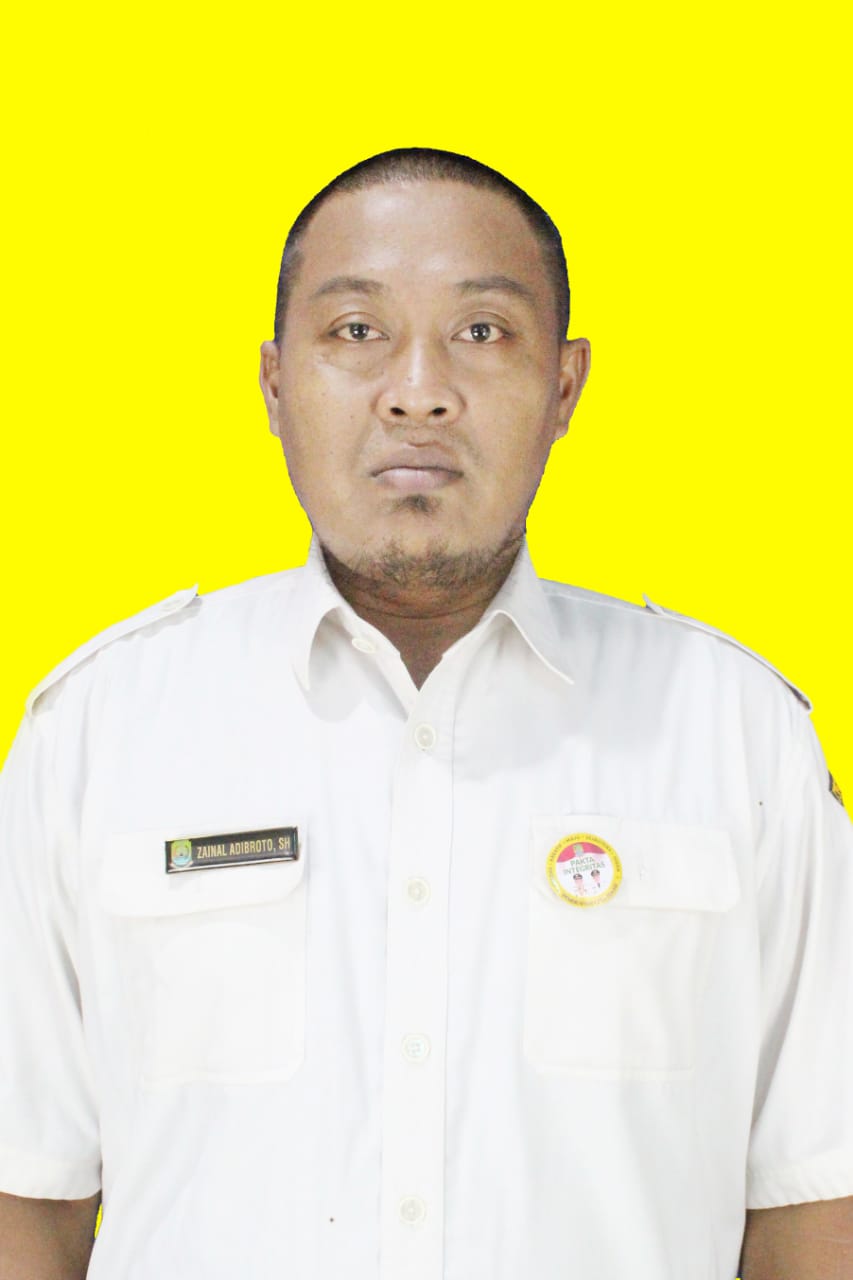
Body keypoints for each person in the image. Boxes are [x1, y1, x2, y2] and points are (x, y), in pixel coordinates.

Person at [0, 147, 851, 1280]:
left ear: (564, 386)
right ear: (273, 383)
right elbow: (28, 1200)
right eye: (355, 330)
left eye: (482, 332)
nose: (416, 390)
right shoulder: (100, 731)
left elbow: (810, 1200)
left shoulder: (732, 731)